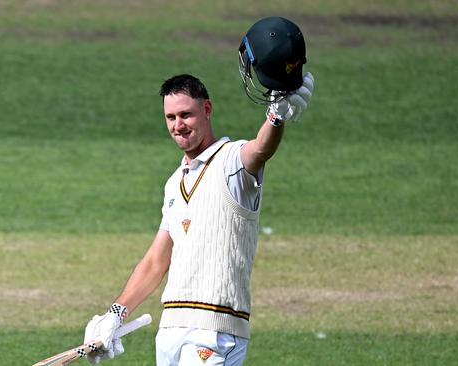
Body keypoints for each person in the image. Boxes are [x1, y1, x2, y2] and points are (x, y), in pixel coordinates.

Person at [82, 70, 314, 366]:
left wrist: (275, 117)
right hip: (170, 330)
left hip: (215, 331)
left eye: (186, 115)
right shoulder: (174, 182)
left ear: (206, 110)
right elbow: (156, 260)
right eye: (170, 117)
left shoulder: (231, 160)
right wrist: (115, 314)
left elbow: (261, 149)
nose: (178, 125)